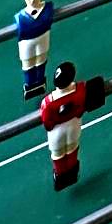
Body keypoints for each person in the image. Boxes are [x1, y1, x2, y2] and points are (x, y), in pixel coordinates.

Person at [39, 62, 103, 191]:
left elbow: (47, 123)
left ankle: (61, 176)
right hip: (73, 125)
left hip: (57, 131)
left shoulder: (48, 102)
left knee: (58, 153)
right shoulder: (80, 91)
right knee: (72, 148)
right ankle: (72, 173)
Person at [15, 0, 55, 99]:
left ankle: (40, 82)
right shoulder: (20, 17)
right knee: (28, 64)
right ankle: (29, 85)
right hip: (26, 43)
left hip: (43, 39)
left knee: (41, 61)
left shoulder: (47, 8)